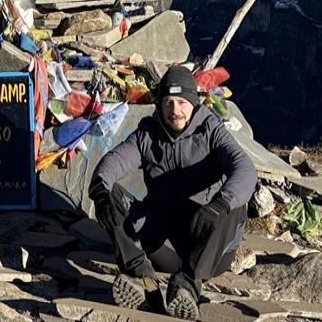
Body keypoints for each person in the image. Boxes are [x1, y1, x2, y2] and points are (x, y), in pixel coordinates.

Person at [88, 64, 255, 319]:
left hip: (209, 247)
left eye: (181, 102)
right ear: (160, 105)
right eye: (168, 102)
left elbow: (245, 170)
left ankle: (187, 285)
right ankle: (143, 280)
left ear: (193, 103)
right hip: (163, 245)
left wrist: (218, 204)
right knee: (109, 194)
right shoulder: (147, 134)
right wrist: (100, 192)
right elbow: (114, 162)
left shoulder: (212, 132)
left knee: (235, 205)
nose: (174, 110)